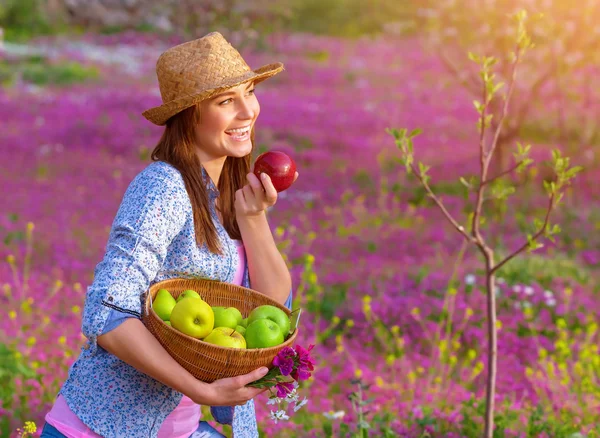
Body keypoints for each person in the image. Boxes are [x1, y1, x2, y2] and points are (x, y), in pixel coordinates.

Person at [40, 31, 297, 438]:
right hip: (103, 428)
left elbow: (272, 310)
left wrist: (253, 219)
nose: (248, 110)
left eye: (249, 92)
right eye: (226, 100)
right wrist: (200, 390)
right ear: (190, 114)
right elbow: (106, 313)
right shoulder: (163, 187)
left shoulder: (228, 194)